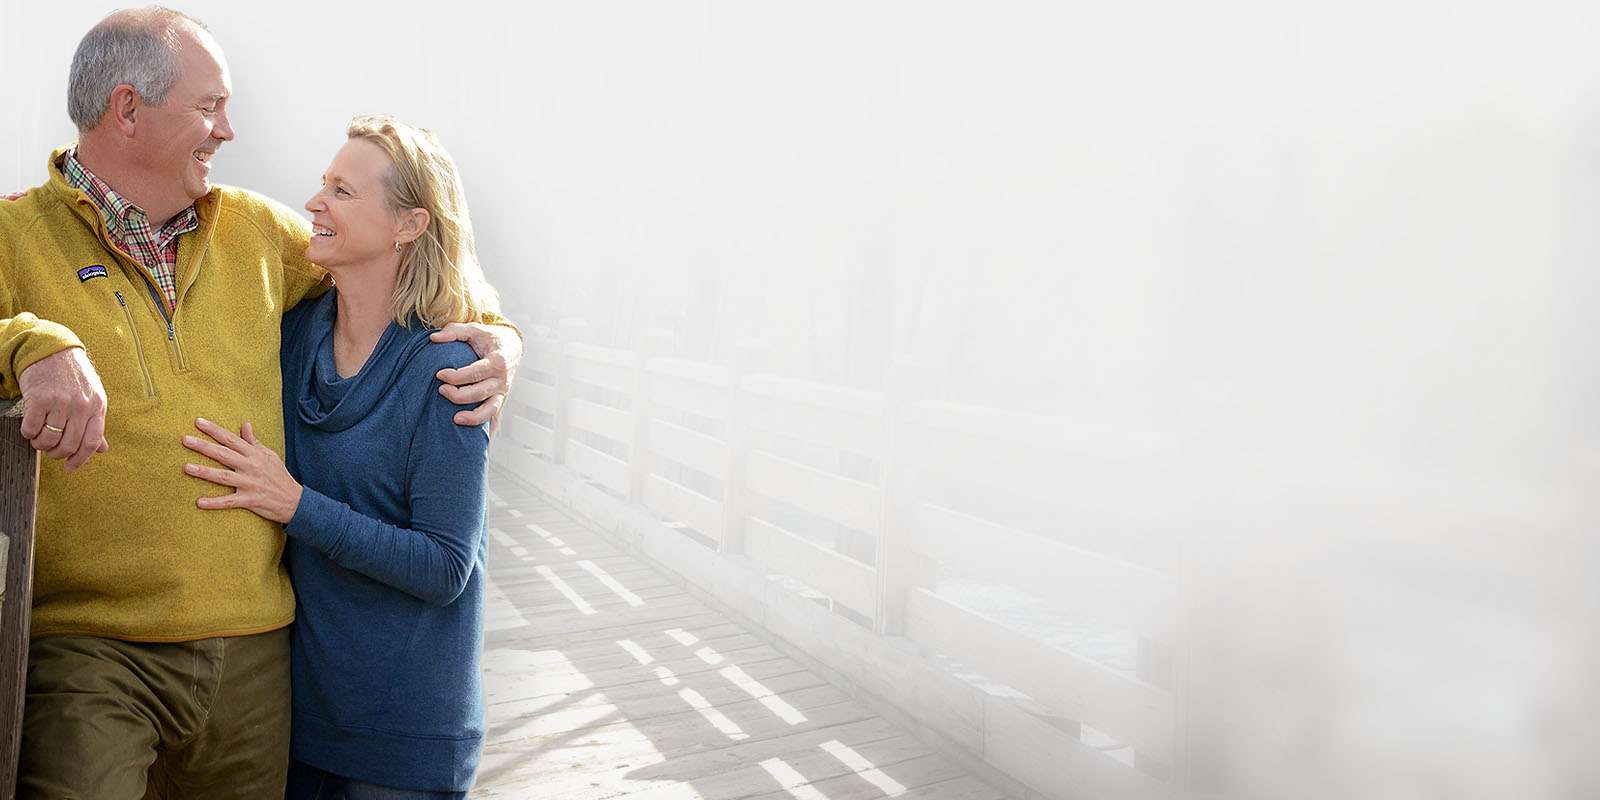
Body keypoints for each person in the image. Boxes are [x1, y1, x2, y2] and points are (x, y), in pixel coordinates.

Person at [0, 8, 521, 798]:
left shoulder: (259, 232)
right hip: (93, 650)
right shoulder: (14, 233)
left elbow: (411, 281)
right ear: (129, 109)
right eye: (210, 106)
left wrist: (505, 340)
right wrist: (32, 342)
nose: (228, 131)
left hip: (260, 657)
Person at [183, 115, 493, 799]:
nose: (315, 203)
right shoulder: (294, 336)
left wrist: (293, 503)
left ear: (409, 224)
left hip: (407, 737)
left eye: (343, 192)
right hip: (301, 718)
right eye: (323, 184)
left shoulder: (448, 371)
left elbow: (445, 566)